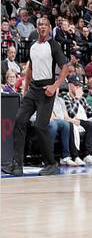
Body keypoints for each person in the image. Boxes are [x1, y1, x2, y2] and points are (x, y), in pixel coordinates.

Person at [2, 17, 73, 176]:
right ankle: (17, 165)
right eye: (39, 24)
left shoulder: (53, 45)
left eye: (45, 25)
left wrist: (55, 86)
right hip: (33, 89)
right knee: (19, 120)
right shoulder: (33, 46)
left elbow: (66, 68)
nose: (42, 27)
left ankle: (51, 163)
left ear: (49, 28)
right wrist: (25, 88)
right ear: (37, 27)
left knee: (41, 127)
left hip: (47, 89)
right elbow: (30, 69)